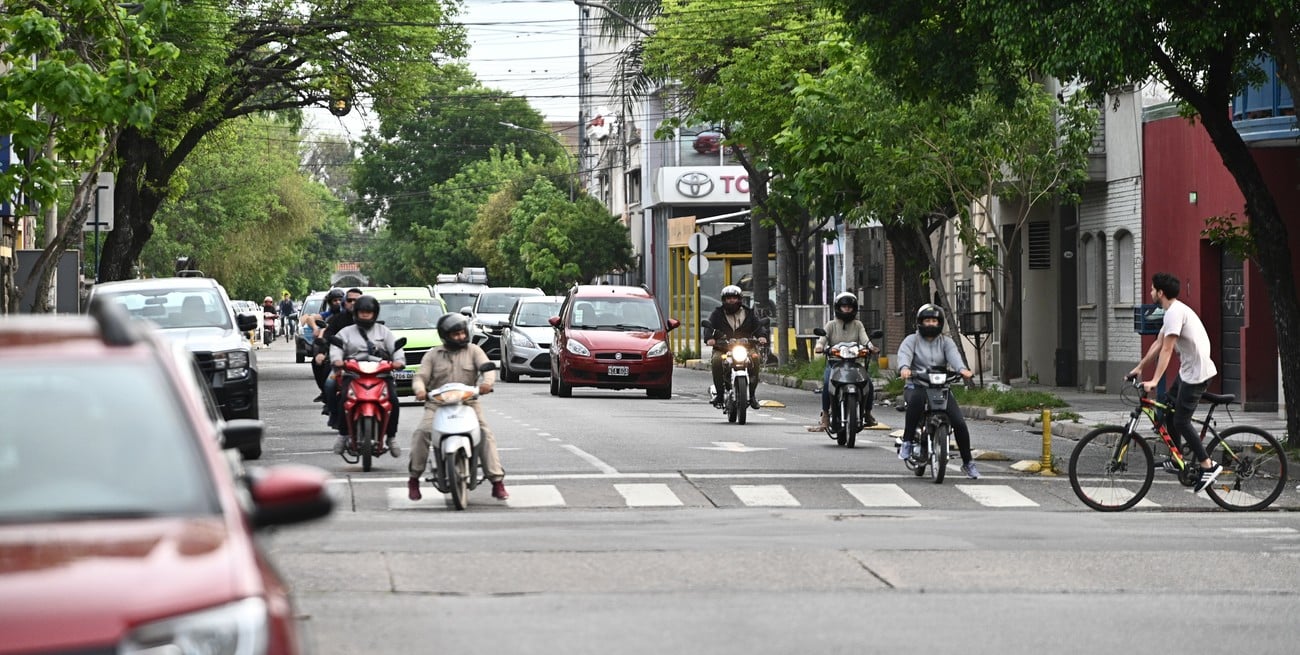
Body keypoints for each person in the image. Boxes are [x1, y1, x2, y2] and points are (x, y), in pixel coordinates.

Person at [1128, 272, 1222, 492]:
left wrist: (1155, 380)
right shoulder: (1171, 311)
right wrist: (1140, 368)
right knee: (1169, 409)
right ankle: (1176, 455)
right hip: (1188, 370)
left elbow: (1168, 349)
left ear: (1160, 293)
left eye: (1152, 289)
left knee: (1181, 421)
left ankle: (1208, 465)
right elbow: (1158, 344)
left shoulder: (1175, 313)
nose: (1150, 292)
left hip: (1197, 373)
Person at [407, 313, 509, 501]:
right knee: (422, 433)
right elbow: (420, 376)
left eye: (462, 333)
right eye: (456, 334)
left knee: (485, 433)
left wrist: (487, 384)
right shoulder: (433, 355)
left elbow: (487, 368)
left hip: (468, 403)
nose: (461, 337)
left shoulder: (474, 351)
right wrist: (420, 390)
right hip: (437, 404)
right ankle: (414, 479)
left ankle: (497, 482)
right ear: (445, 335)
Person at [896, 303, 979, 479]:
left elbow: (955, 358)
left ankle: (968, 463)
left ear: (939, 323)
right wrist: (904, 368)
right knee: (916, 403)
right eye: (927, 320)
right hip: (917, 384)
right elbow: (904, 356)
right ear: (920, 322)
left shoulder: (946, 342)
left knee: (959, 422)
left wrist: (962, 370)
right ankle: (908, 442)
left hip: (941, 388)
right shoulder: (911, 340)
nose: (931, 324)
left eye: (934, 320)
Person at [328, 295, 405, 455]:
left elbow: (396, 349)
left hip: (381, 375)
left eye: (368, 312)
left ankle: (391, 437)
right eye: (362, 312)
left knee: (393, 401)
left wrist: (398, 361)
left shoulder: (384, 332)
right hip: (354, 374)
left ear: (375, 314)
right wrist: (337, 360)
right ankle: (343, 435)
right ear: (356, 313)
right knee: (343, 400)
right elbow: (336, 348)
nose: (365, 315)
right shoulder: (346, 332)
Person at [813, 292, 880, 430]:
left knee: (868, 383)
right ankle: (825, 415)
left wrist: (871, 347)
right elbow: (822, 340)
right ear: (838, 307)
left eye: (849, 307)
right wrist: (820, 347)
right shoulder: (831, 325)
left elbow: (865, 339)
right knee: (827, 383)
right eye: (844, 306)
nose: (847, 309)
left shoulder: (858, 324)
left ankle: (867, 413)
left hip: (854, 364)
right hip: (834, 363)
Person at [705, 285, 768, 409]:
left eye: (734, 298)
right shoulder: (717, 313)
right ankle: (719, 394)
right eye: (728, 298)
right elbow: (709, 327)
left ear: (739, 299)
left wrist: (761, 336)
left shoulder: (749, 313)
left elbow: (758, 327)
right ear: (724, 300)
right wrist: (709, 338)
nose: (731, 301)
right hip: (723, 348)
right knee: (717, 361)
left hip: (746, 347)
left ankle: (752, 395)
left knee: (755, 358)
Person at [318, 289, 362, 423]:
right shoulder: (337, 320)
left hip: (368, 364)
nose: (353, 303)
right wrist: (321, 352)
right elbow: (327, 337)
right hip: (344, 364)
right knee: (330, 384)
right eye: (350, 300)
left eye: (357, 301)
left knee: (389, 390)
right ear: (345, 303)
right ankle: (335, 414)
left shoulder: (376, 324)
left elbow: (386, 343)